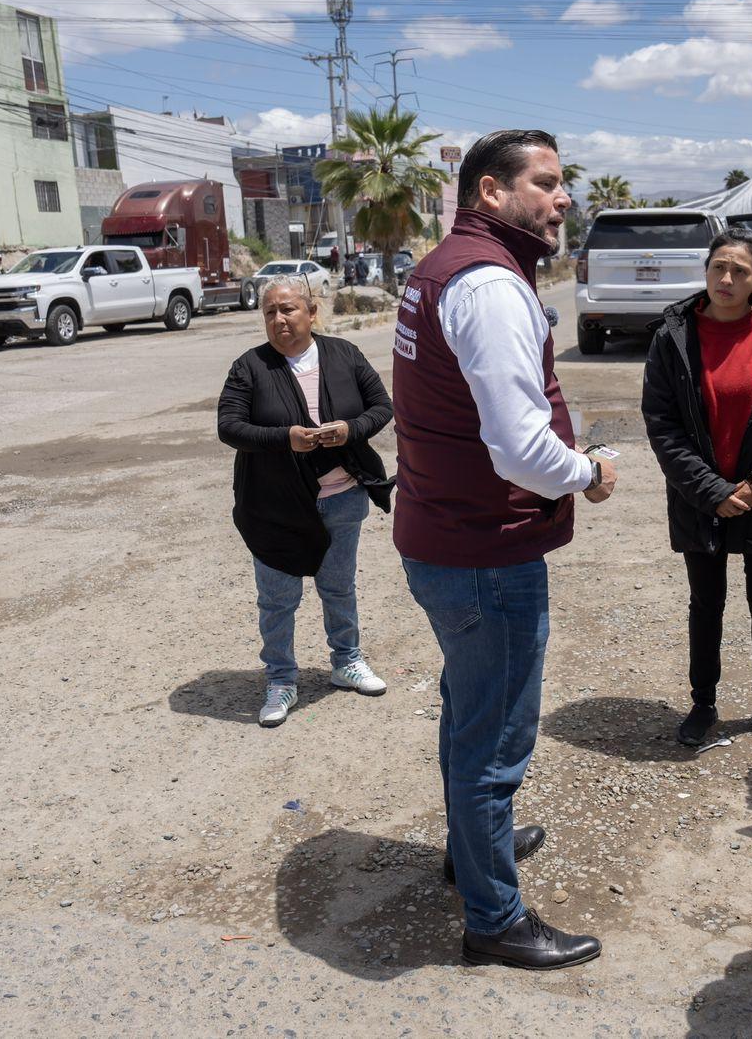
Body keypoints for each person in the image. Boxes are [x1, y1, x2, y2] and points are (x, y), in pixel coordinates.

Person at [393, 129, 615, 971]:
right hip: (483, 551)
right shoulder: (487, 285)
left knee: (469, 711)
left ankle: (472, 847)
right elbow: (519, 447)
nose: (563, 199)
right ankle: (493, 918)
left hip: (445, 536)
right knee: (493, 740)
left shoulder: (446, 266)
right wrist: (587, 470)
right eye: (548, 184)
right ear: (491, 192)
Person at [640, 226, 752, 752]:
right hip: (702, 499)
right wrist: (710, 488)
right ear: (706, 271)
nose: (726, 279)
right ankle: (703, 702)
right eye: (718, 267)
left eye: (739, 271)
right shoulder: (673, 334)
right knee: (706, 603)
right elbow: (662, 420)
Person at [216, 275, 395, 727]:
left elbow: (381, 406)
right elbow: (230, 427)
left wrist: (349, 430)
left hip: (343, 497)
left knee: (338, 586)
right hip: (276, 506)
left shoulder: (344, 354)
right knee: (278, 599)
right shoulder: (249, 367)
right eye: (270, 312)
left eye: (288, 309)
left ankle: (346, 661)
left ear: (312, 312)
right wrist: (285, 438)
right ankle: (280, 679)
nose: (279, 319)